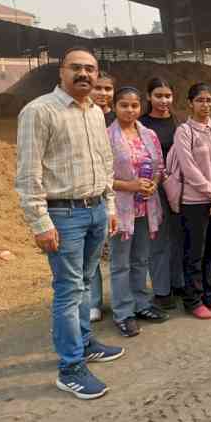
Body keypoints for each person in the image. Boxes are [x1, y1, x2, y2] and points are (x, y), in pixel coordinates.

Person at [15, 46, 123, 400]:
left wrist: (108, 206)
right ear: (60, 71)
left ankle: (85, 342)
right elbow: (28, 174)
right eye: (76, 68)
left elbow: (104, 163)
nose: (84, 75)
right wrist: (40, 222)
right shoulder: (39, 111)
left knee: (85, 282)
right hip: (63, 215)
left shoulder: (96, 113)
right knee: (68, 289)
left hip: (93, 211)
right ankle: (70, 367)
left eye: (90, 69)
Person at [107, 87, 169, 337]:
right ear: (114, 107)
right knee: (120, 263)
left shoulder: (149, 134)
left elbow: (160, 166)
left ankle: (141, 304)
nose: (130, 110)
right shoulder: (107, 137)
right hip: (120, 209)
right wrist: (130, 185)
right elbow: (101, 176)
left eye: (134, 105)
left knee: (141, 259)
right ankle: (123, 313)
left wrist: (154, 182)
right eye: (124, 105)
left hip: (146, 206)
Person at [175, 83, 211, 319]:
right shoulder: (185, 131)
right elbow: (188, 168)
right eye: (200, 100)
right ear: (190, 103)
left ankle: (209, 294)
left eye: (209, 100)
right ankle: (193, 299)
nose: (205, 105)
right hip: (196, 201)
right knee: (194, 252)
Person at [139, 78, 184, 312]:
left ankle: (179, 283)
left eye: (167, 96)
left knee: (178, 237)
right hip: (154, 188)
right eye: (158, 95)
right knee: (158, 239)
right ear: (149, 97)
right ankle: (161, 290)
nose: (164, 100)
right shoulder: (141, 124)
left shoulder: (178, 123)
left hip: (178, 188)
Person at [88, 70, 116, 322]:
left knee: (118, 251)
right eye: (98, 88)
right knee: (92, 254)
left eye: (107, 89)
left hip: (118, 192)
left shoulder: (119, 118)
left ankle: (121, 298)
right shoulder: (82, 117)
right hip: (92, 191)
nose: (102, 93)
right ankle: (93, 301)